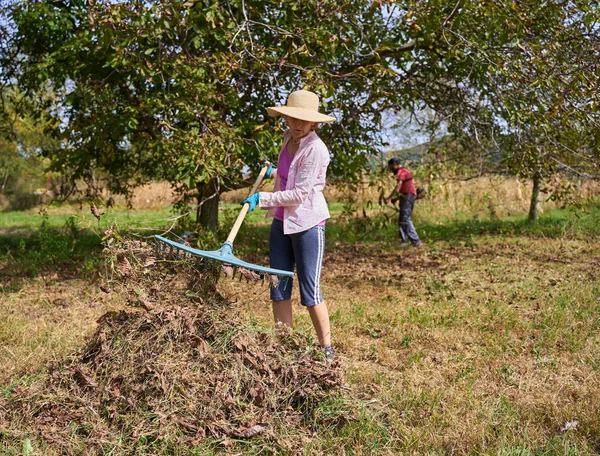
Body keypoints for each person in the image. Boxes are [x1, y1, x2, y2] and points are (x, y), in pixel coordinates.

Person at [241, 90, 335, 363]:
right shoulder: (288, 140)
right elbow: (288, 174)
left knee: (309, 289)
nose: (298, 124)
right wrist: (273, 173)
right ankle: (284, 348)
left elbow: (299, 193)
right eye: (293, 118)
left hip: (307, 223)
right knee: (279, 284)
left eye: (304, 121)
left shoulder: (316, 149)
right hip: (282, 221)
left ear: (314, 123)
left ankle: (326, 349)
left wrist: (262, 198)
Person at [383, 157, 422, 247]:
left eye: (391, 167)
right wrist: (396, 199)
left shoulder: (402, 171)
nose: (391, 169)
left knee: (405, 219)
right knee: (401, 220)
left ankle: (416, 241)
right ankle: (403, 241)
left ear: (395, 164)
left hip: (408, 197)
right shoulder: (404, 171)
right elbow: (404, 188)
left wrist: (389, 198)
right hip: (405, 196)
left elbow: (399, 185)